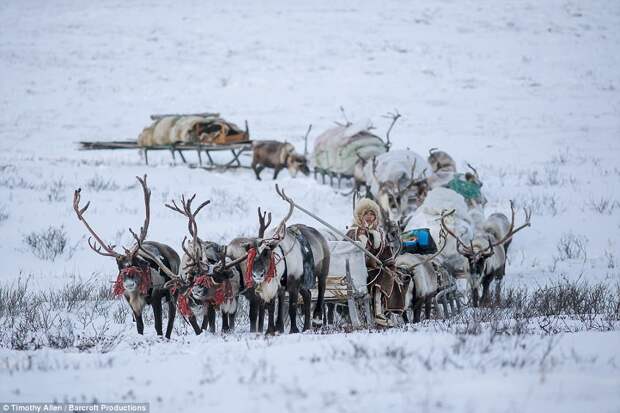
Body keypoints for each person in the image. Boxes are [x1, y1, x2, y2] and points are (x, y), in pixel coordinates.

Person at [346, 198, 408, 326]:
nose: (370, 217)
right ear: (360, 216)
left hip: (376, 268)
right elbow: (353, 253)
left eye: (372, 214)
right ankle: (377, 313)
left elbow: (386, 253)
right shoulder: (353, 232)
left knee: (395, 276)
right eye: (366, 214)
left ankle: (387, 311)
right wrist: (362, 238)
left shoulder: (379, 233)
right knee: (380, 275)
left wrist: (389, 265)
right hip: (358, 270)